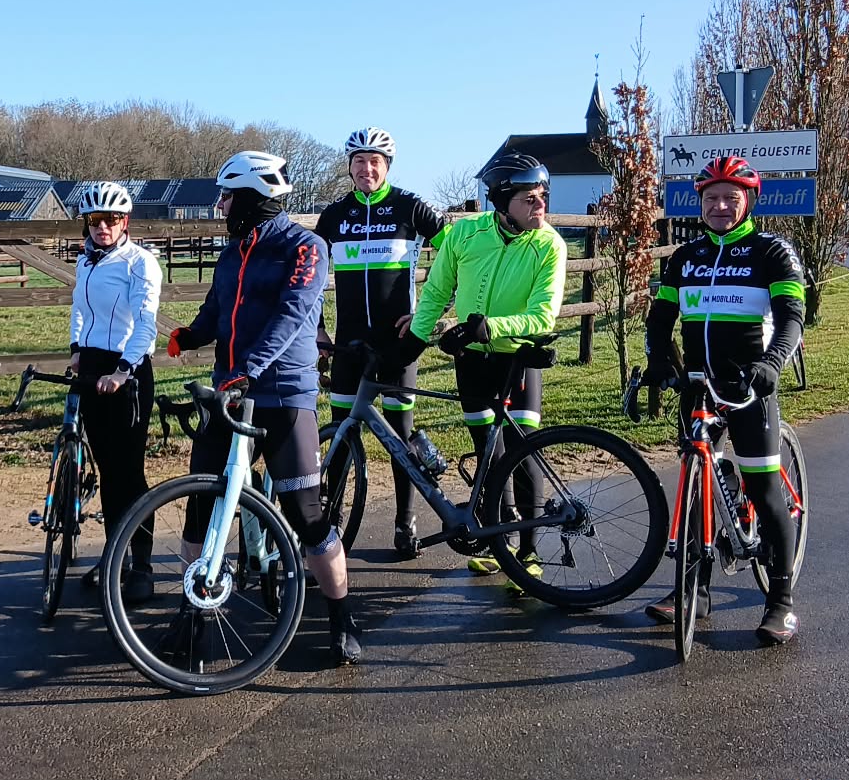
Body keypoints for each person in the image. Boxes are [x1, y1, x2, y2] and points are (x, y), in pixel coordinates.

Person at [168, 150, 361, 664]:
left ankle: (341, 616)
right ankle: (191, 614)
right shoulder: (231, 253)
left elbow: (293, 314)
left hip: (283, 394)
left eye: (227, 197)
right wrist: (189, 335)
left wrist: (250, 367)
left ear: (254, 199)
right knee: (200, 507)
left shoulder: (306, 247)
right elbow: (216, 309)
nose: (220, 205)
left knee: (307, 515)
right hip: (230, 393)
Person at [640, 155, 805, 645]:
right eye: (711, 198)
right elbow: (660, 318)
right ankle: (695, 589)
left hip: (750, 386)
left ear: (748, 201)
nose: (720, 206)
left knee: (765, 489)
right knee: (696, 484)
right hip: (698, 386)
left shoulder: (771, 251)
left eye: (730, 198)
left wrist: (772, 363)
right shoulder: (684, 257)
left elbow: (792, 318)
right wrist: (658, 360)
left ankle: (781, 601)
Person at [404, 151, 566, 591]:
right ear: (501, 201)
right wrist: (414, 343)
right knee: (488, 454)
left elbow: (544, 316)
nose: (540, 205)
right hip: (473, 361)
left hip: (517, 358)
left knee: (523, 452)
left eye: (543, 196)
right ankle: (500, 542)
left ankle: (529, 553)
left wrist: (489, 327)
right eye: (529, 198)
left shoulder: (549, 244)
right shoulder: (465, 234)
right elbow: (437, 291)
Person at [314, 127, 448, 560]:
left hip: (398, 345)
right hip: (349, 346)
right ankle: (331, 523)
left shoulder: (410, 207)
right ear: (349, 166)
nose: (366, 169)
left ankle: (405, 522)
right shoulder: (335, 215)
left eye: (375, 161)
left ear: (387, 166)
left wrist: (430, 314)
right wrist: (318, 329)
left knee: (400, 437)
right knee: (339, 436)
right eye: (359, 161)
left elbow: (455, 256)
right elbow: (309, 278)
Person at [66, 181, 164, 602]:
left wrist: (124, 370)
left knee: (129, 473)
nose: (103, 227)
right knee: (108, 471)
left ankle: (141, 564)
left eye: (112, 219)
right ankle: (114, 557)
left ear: (125, 222)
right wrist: (76, 349)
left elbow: (146, 322)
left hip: (127, 371)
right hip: (92, 367)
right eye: (95, 220)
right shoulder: (85, 261)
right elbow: (79, 308)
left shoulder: (139, 262)